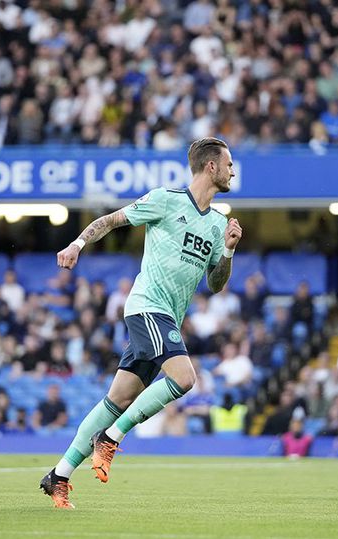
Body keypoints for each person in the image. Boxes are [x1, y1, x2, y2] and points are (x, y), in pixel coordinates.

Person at [40, 137, 241, 508]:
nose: (233, 170)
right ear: (211, 166)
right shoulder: (166, 199)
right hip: (148, 306)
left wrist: (228, 248)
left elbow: (216, 284)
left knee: (117, 399)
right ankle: (111, 438)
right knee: (184, 378)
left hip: (168, 318)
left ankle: (59, 475)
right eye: (229, 164)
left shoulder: (217, 223)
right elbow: (111, 220)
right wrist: (76, 245)